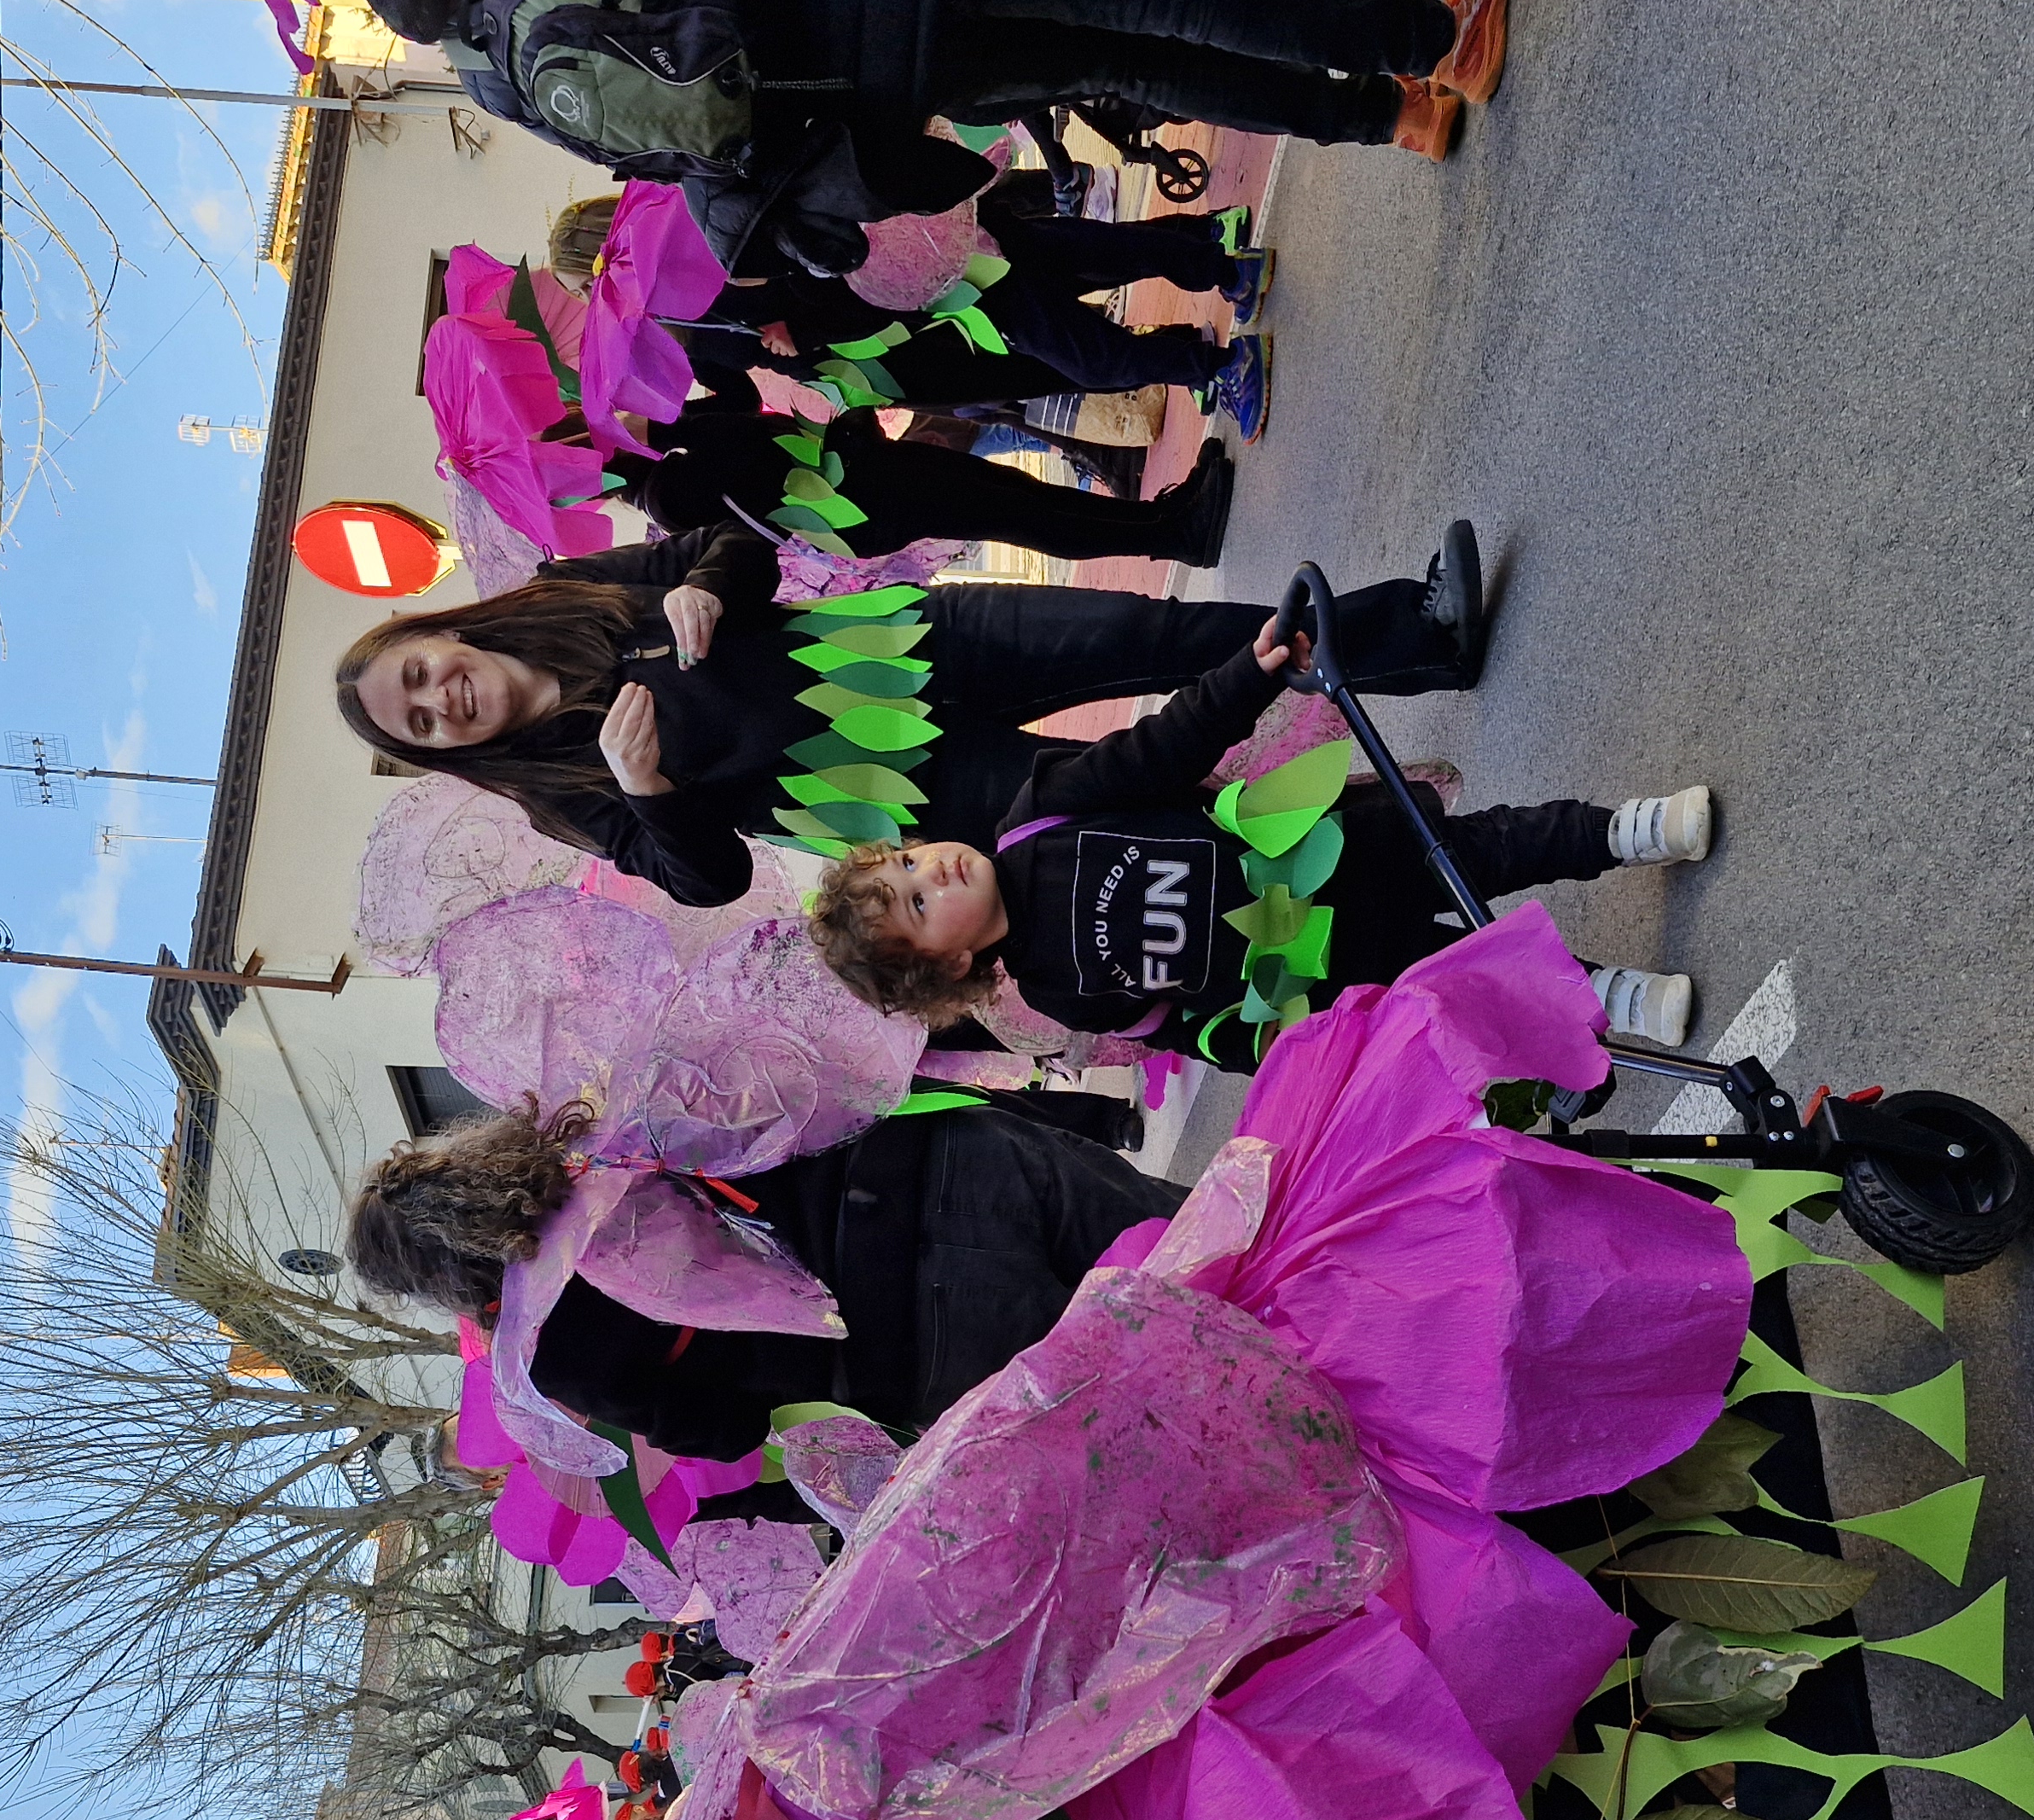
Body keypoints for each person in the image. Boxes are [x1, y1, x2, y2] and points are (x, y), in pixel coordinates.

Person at [239, 0, 1520, 270]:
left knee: (1136, 67)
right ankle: (1426, 40)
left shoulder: (469, 57)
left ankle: (1389, 121)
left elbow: (646, 134)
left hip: (857, 82)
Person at [332, 521, 1491, 904]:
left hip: (902, 648)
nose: (441, 700)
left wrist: (701, 586)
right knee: (1158, 799)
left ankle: (1414, 635)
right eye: (420, 722)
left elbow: (729, 547)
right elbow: (707, 881)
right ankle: (1387, 831)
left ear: (438, 634)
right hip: (899, 793)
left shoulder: (565, 591)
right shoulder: (564, 798)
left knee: (1157, 639)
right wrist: (649, 792)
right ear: (441, 752)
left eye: (420, 674)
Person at [806, 595, 1713, 1055]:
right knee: (1475, 980)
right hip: (1317, 968)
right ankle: (1615, 997)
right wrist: (1285, 1049)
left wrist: (1249, 674)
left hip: (1325, 848)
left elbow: (1164, 746)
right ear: (953, 965)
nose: (936, 874)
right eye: (918, 906)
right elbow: (1188, 1027)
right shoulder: (1056, 991)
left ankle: (1627, 831)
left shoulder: (1039, 815)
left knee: (1491, 848)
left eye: (912, 863)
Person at [343, 1090, 1187, 1452]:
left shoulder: (548, 1351)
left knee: (1185, 1376)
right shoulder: (592, 1126)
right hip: (937, 1171)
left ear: (438, 1282)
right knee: (1212, 1229)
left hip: (911, 1342)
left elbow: (718, 1434)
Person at [552, 187, 1278, 433]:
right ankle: (1220, 264)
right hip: (924, 281)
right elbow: (738, 386)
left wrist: (791, 324)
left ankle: (1218, 360)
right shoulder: (683, 292)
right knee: (1080, 257)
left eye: (595, 286)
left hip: (924, 274)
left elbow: (823, 264)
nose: (606, 299)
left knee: (1083, 346)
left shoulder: (709, 237)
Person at [611, 382, 1238, 567]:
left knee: (1016, 493)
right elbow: (747, 456)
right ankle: (1174, 538)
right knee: (1019, 515)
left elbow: (745, 404)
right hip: (858, 504)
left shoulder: (668, 444)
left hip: (860, 469)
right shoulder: (665, 494)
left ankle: (1164, 517)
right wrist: (662, 430)